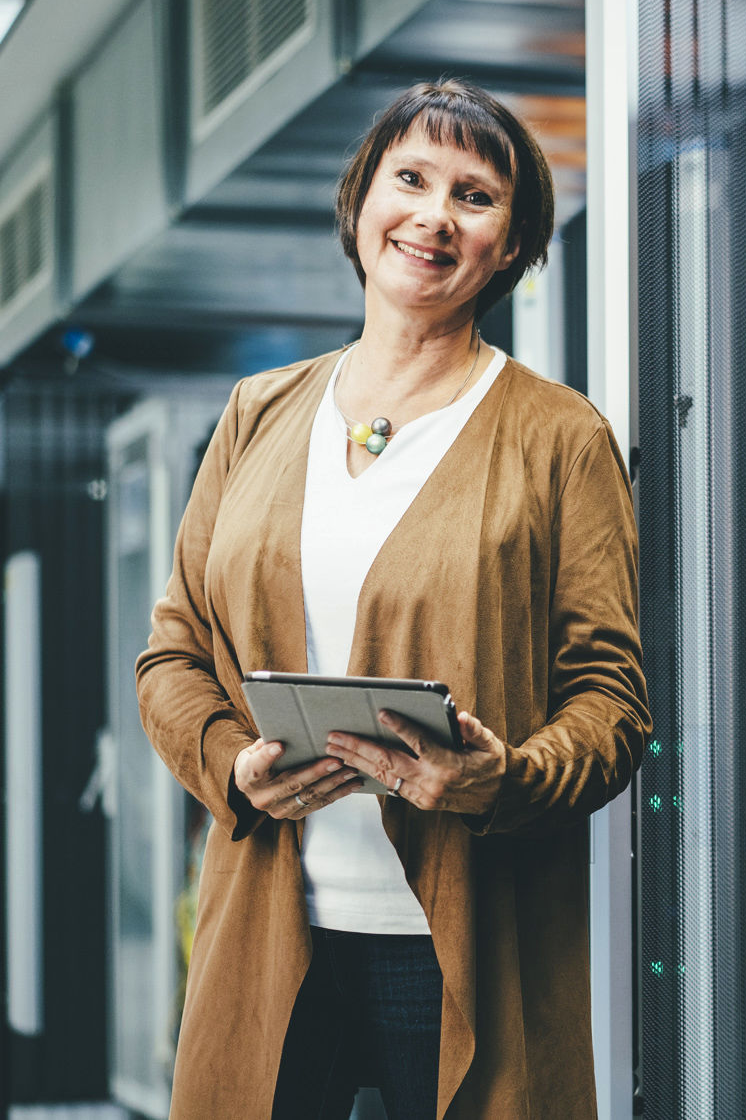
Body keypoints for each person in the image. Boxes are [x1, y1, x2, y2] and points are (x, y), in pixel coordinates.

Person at [136, 79, 649, 1120]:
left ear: (510, 245)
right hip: (271, 932)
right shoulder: (258, 413)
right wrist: (231, 764)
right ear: (360, 202)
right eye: (409, 178)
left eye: (474, 195)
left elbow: (612, 703)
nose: (433, 215)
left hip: (463, 944)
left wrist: (500, 775)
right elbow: (173, 655)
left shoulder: (559, 437)